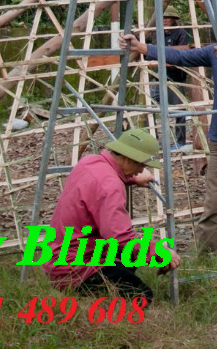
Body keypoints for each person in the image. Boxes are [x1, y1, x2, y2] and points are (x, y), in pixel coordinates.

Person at [122, 2, 217, 256]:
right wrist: (143, 47)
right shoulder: (215, 52)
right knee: (213, 207)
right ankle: (208, 259)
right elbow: (181, 56)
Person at [43, 127, 180, 299]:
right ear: (129, 159)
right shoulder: (111, 187)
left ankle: (106, 287)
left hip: (58, 257)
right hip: (76, 267)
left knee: (128, 256)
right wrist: (158, 251)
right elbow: (119, 237)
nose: (141, 170)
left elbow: (100, 186)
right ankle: (96, 304)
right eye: (142, 164)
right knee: (142, 297)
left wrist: (130, 178)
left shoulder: (90, 162)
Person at [148, 10, 192, 149]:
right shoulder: (156, 33)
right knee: (150, 104)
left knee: (179, 109)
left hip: (175, 76)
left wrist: (166, 54)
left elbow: (181, 53)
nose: (165, 20)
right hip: (158, 74)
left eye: (168, 18)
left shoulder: (180, 33)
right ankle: (153, 139)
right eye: (163, 18)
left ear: (174, 20)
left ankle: (180, 141)